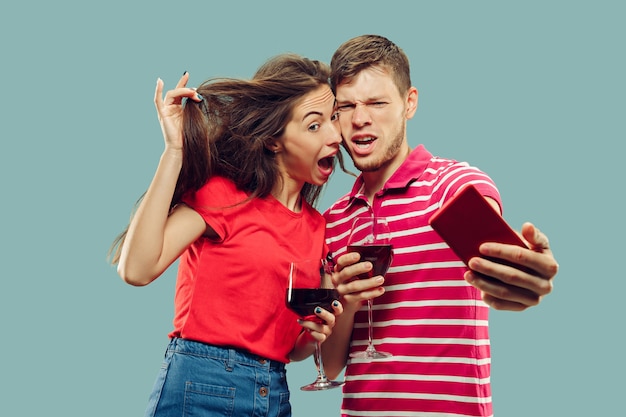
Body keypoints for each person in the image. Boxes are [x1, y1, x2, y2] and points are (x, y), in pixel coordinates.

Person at [320, 35, 559, 416]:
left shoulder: (452, 185)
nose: (359, 118)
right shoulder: (334, 220)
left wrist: (524, 275)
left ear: (409, 103)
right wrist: (346, 301)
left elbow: (505, 263)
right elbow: (330, 366)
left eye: (376, 103)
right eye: (345, 106)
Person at [108, 54, 344, 417]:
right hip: (203, 383)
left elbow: (291, 349)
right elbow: (137, 270)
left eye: (334, 119)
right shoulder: (224, 196)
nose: (335, 135)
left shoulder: (319, 229)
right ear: (273, 141)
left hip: (274, 392)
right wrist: (174, 152)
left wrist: (313, 334)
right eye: (314, 126)